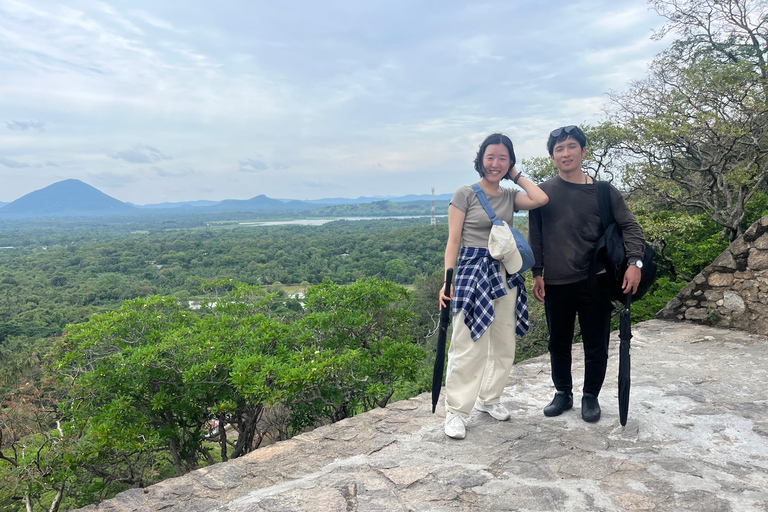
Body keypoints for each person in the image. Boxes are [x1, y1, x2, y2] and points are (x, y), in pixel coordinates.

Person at [528, 125, 646, 423]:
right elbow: (536, 236)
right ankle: (563, 393)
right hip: (555, 281)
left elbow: (631, 227)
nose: (565, 153)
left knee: (597, 344)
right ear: (553, 157)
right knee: (558, 342)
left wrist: (635, 263)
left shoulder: (604, 192)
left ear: (582, 150)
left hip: (596, 281)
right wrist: (537, 273)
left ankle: (590, 396)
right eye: (559, 149)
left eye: (570, 146)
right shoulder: (542, 194)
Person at [439, 133, 548, 439]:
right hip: (473, 272)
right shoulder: (465, 194)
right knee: (467, 344)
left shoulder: (511, 195)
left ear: (510, 161)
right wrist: (447, 281)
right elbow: (454, 241)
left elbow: (540, 199)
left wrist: (515, 175)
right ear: (480, 159)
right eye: (490, 157)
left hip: (507, 272)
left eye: (503, 158)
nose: (495, 163)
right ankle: (457, 411)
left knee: (503, 342)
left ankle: (490, 398)